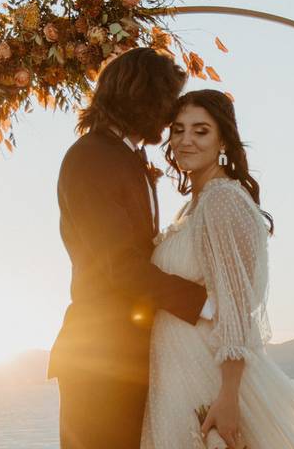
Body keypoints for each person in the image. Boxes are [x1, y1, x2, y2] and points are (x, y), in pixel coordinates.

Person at [141, 89, 294, 449]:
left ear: (223, 137)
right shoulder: (193, 207)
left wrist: (228, 397)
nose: (185, 140)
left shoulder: (222, 200)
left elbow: (235, 306)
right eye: (178, 130)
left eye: (201, 130)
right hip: (178, 373)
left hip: (210, 376)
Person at [48, 48, 215, 448]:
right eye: (167, 98)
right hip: (100, 359)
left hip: (129, 355)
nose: (171, 112)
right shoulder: (92, 159)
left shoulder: (124, 156)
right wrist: (206, 304)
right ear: (143, 97)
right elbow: (120, 266)